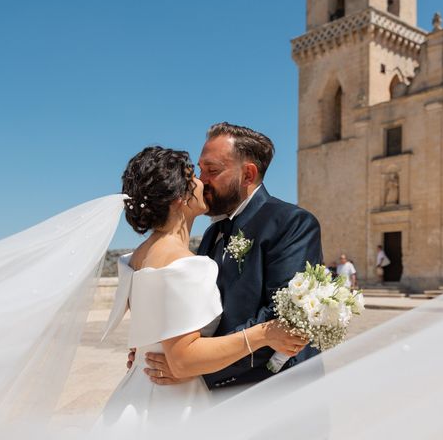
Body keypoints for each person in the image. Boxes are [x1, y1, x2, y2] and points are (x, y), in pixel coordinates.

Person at [96, 146, 309, 432]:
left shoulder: (135, 258)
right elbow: (183, 360)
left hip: (136, 391)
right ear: (179, 197)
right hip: (173, 405)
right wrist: (263, 334)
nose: (202, 182)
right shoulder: (185, 264)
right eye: (193, 176)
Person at [126, 123, 323, 390]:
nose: (201, 180)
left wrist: (196, 367)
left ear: (248, 174)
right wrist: (163, 345)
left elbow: (283, 322)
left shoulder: (292, 224)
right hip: (220, 397)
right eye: (200, 169)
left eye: (212, 170)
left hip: (277, 393)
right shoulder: (211, 235)